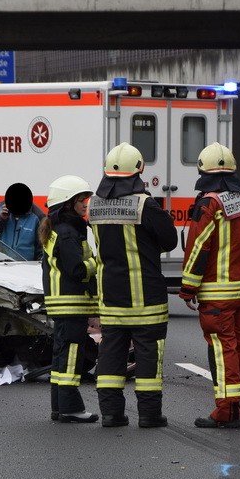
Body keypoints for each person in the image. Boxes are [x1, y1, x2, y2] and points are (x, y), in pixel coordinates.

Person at [88, 143, 177, 428]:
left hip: (111, 299)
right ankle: (150, 414)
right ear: (139, 170)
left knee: (111, 356)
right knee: (148, 355)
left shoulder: (94, 205)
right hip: (146, 299)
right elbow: (170, 241)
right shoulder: (144, 205)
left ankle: (112, 414)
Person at [180, 143, 240, 429]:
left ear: (203, 171)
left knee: (222, 348)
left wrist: (188, 288)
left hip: (217, 294)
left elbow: (198, 247)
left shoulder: (209, 203)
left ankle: (227, 410)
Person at [39, 175, 100, 424]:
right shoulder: (67, 232)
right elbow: (77, 270)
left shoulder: (58, 229)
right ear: (68, 203)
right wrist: (97, 263)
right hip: (71, 303)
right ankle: (71, 408)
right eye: (81, 200)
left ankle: (59, 407)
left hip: (62, 303)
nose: (85, 203)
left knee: (62, 355)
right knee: (72, 355)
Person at [0, 183, 44, 261]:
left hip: (27, 266)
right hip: (3, 264)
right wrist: (1, 218)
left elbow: (42, 248)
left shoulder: (38, 216)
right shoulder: (2, 206)